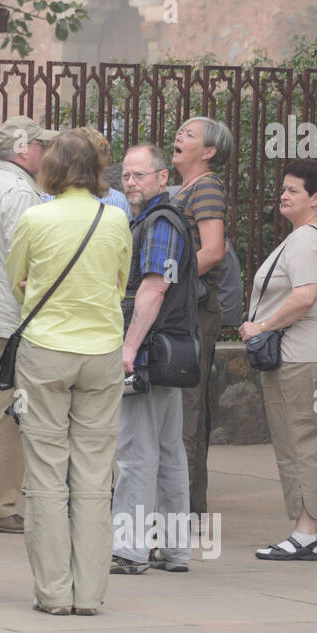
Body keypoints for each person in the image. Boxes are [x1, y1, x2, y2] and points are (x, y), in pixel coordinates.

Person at [6, 128, 132, 615]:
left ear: (51, 167)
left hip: (45, 349)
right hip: (102, 350)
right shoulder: (116, 218)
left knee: (45, 470)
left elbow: (17, 279)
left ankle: (55, 592)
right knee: (96, 473)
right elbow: (120, 280)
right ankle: (91, 593)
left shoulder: (35, 218)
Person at [241, 160, 317, 561]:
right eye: (282, 189)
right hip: (314, 349)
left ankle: (304, 532)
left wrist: (261, 326)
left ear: (316, 197)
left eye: (293, 191)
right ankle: (314, 531)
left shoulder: (305, 240)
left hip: (300, 353)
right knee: (307, 440)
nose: (283, 196)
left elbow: (304, 297)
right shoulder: (312, 235)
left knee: (296, 440)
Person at [0, 116, 56, 533]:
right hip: (9, 318)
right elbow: (30, 261)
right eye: (40, 144)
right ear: (23, 149)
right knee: (10, 414)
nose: (46, 152)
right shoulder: (19, 192)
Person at [110, 143, 196, 574]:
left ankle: (129, 549)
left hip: (147, 352)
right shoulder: (159, 219)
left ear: (163, 178)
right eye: (126, 175)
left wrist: (128, 347)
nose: (131, 183)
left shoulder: (159, 223)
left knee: (135, 453)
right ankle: (176, 549)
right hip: (168, 351)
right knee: (167, 451)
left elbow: (154, 288)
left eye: (140, 175)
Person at [169, 116, 231, 539]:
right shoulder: (186, 189)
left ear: (208, 151)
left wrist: (168, 279)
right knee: (177, 407)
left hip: (193, 308)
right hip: (182, 306)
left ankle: (189, 510)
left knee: (187, 406)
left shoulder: (206, 186)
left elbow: (213, 251)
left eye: (189, 135)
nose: (179, 136)